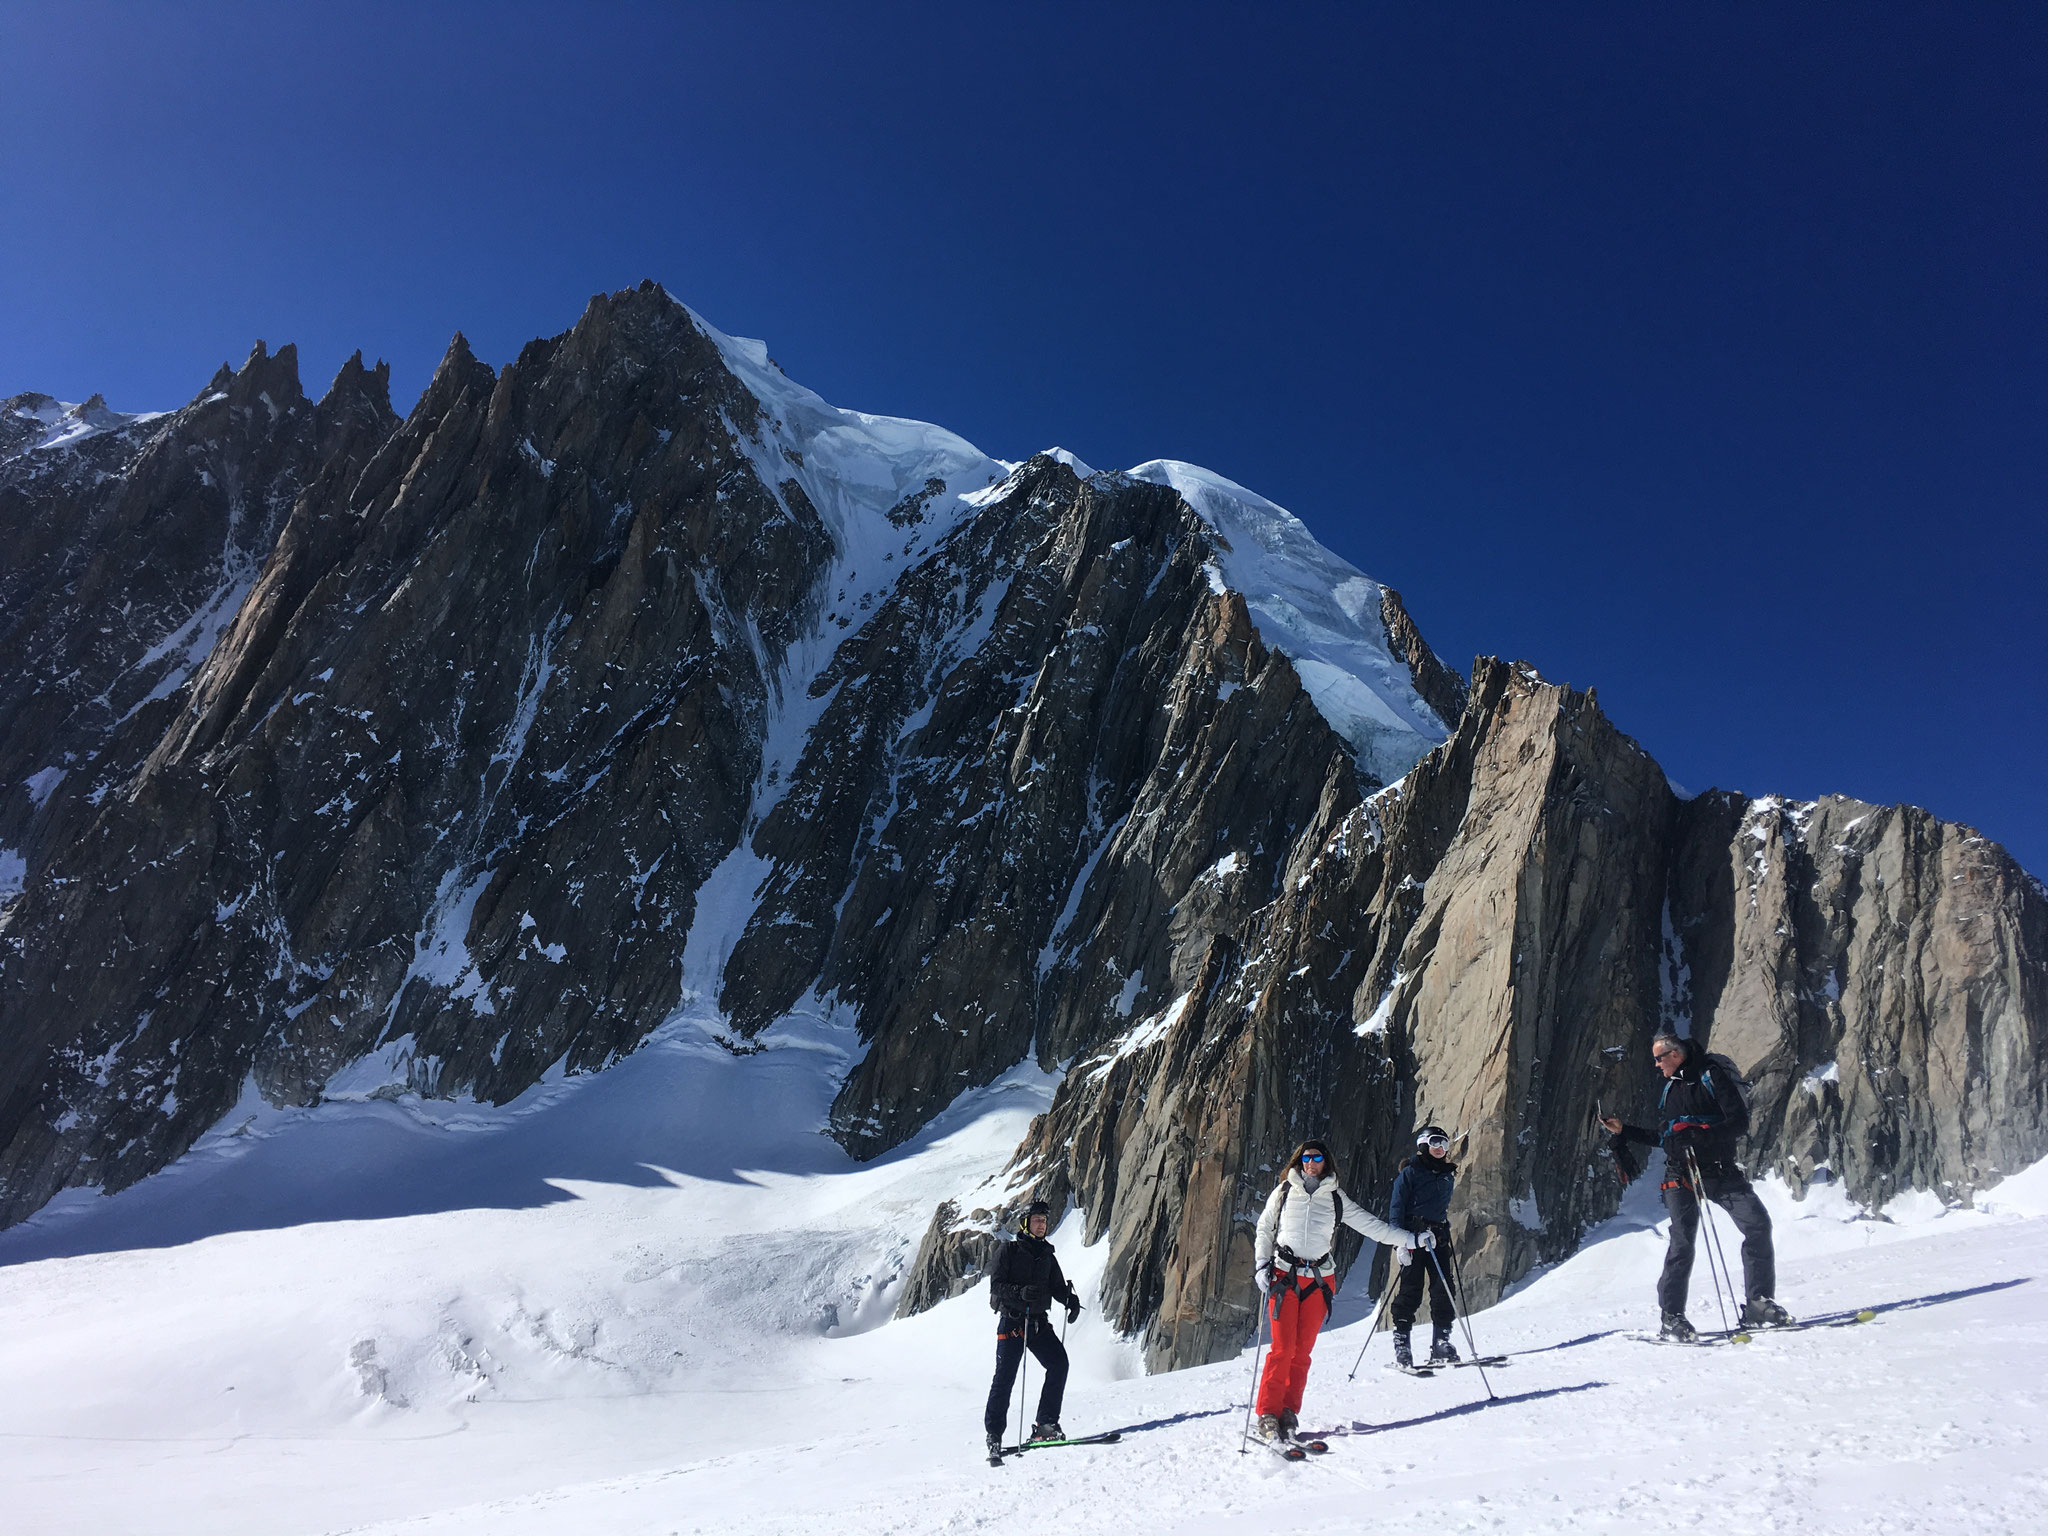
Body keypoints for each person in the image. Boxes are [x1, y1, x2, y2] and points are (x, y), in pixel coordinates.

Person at [1600, 1033, 1793, 1340]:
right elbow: (1666, 1137)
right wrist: (1626, 1131)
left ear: (1675, 1054)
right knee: (1685, 1243)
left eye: (1659, 1058)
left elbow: (1739, 1122)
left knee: (1754, 1225)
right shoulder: (1672, 1089)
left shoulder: (1711, 1076)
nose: (1656, 1064)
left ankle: (1756, 1303)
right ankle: (1674, 1316)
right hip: (1684, 1173)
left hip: (1716, 1171)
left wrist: (1701, 1135)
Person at [1252, 1138, 1422, 1442]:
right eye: (1306, 1157)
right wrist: (1262, 1263)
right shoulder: (1285, 1191)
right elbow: (1265, 1227)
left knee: (1302, 1352)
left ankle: (1288, 1412)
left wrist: (1408, 1239)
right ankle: (1268, 1413)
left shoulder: (1336, 1198)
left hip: (1319, 1280)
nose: (1311, 1163)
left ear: (1325, 1162)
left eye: (1317, 1158)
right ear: (1299, 1161)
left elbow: (1372, 1226)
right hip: (1284, 1276)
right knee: (1282, 1349)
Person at [983, 1198, 1082, 1457]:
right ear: (1026, 1224)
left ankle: (1046, 1425)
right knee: (1004, 1379)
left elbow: (1058, 1287)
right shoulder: (1009, 1251)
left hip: (1037, 1323)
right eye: (1037, 1220)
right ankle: (994, 1434)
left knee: (1059, 1364)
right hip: (1013, 1323)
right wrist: (1019, 1291)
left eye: (1044, 1221)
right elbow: (996, 1286)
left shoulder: (1047, 1255)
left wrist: (1070, 1301)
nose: (1042, 1225)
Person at [1387, 1124, 1460, 1367]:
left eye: (1444, 1144)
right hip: (1412, 1237)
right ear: (1423, 1145)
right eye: (1435, 1142)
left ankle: (1441, 1342)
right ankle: (1402, 1345)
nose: (1440, 1148)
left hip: (1437, 1236)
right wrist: (1401, 1243)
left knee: (1444, 1288)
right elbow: (1396, 1207)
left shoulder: (1446, 1173)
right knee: (1411, 1288)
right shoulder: (1410, 1172)